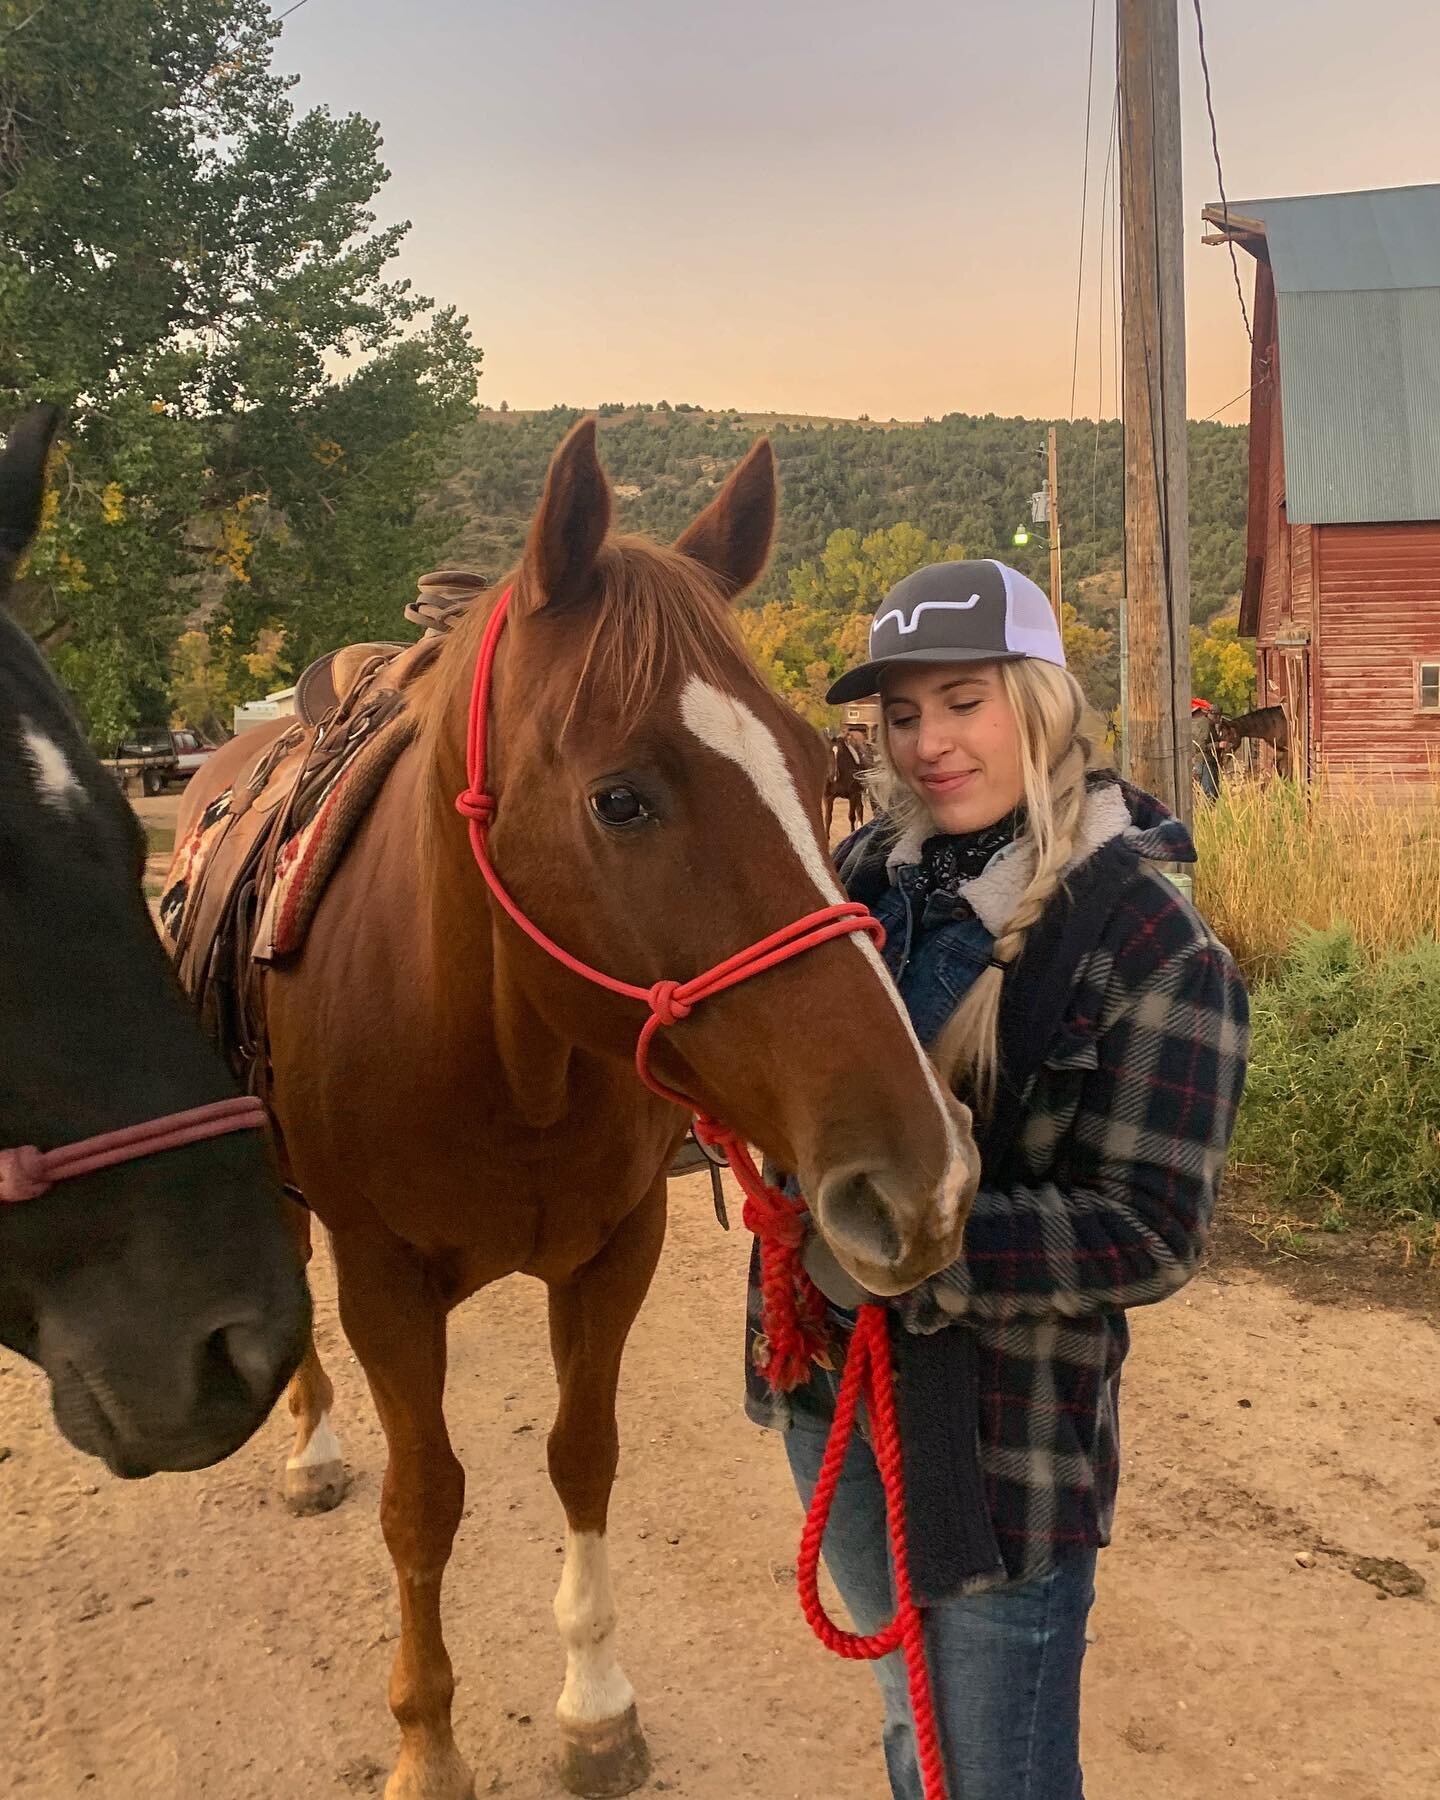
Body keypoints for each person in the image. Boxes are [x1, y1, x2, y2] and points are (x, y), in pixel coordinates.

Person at [747, 559, 1249, 1800]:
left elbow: (1150, 1232)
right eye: (901, 716)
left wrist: (910, 1241)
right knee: (917, 1729)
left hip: (999, 1440)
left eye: (963, 701)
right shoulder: (857, 880)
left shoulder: (1153, 944)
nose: (928, 745)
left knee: (997, 1775)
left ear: (1040, 700)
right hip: (829, 1387)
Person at [826, 721, 873, 836]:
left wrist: (847, 737)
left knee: (856, 757)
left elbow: (847, 735)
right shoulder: (835, 730)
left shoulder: (851, 735)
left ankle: (861, 771)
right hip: (836, 744)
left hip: (846, 745)